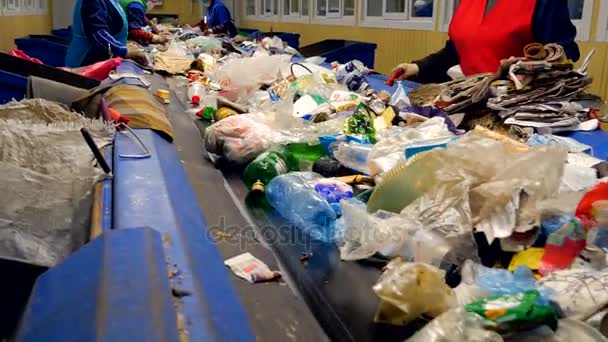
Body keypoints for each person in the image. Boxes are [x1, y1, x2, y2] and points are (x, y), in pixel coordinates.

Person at [394, 0, 580, 84]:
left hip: (515, 110)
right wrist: (418, 67)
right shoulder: (469, 3)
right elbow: (456, 51)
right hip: (471, 101)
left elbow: (564, 52)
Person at [66, 0, 146, 67]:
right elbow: (98, 33)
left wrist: (122, 45)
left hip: (103, 57)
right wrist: (123, 51)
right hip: (86, 60)